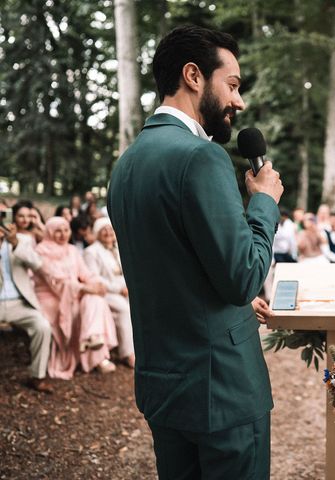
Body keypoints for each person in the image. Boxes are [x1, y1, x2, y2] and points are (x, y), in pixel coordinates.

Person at [107, 25, 283, 480]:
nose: (238, 102)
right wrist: (263, 202)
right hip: (221, 390)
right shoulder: (201, 158)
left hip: (162, 387)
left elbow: (175, 266)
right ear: (193, 76)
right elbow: (243, 275)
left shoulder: (125, 165)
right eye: (232, 84)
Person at [34, 217, 118, 379]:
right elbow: (55, 281)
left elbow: (85, 273)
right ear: (49, 232)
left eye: (66, 230)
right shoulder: (41, 251)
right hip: (51, 296)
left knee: (96, 300)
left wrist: (96, 283)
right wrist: (85, 288)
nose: (63, 234)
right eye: (58, 231)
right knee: (85, 300)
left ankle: (94, 342)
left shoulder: (72, 250)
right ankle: (93, 349)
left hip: (72, 291)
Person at [0, 221, 53, 393]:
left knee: (42, 326)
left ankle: (37, 376)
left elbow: (38, 264)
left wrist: (15, 242)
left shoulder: (21, 239)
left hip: (20, 302)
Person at [83, 217, 135, 368]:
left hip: (126, 290)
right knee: (124, 310)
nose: (108, 232)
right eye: (103, 229)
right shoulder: (91, 252)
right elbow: (94, 277)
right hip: (106, 293)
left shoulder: (120, 248)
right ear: (97, 233)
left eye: (110, 228)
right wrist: (118, 289)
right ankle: (128, 353)